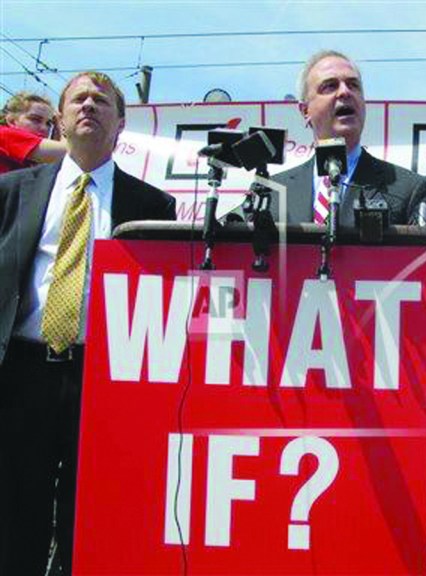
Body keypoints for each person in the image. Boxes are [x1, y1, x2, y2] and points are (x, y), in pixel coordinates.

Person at [0, 71, 176, 576]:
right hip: (22, 373)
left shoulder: (152, 206)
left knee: (90, 516)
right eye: (78, 98)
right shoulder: (12, 192)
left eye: (102, 101)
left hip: (102, 379)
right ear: (58, 119)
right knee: (16, 515)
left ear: (120, 124)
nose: (89, 106)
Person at [270, 50, 426, 225]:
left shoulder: (408, 188)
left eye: (353, 85)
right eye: (330, 86)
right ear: (305, 111)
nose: (345, 92)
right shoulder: (272, 191)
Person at [0, 91, 67, 173]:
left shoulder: (31, 157)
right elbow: (69, 153)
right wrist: (63, 124)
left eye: (49, 123)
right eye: (35, 119)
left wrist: (57, 130)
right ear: (12, 121)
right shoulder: (5, 134)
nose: (44, 128)